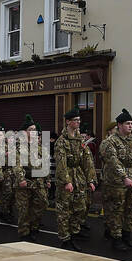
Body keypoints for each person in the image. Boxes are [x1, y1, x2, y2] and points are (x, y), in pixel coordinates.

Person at [100, 108, 132, 252]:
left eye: (131, 123)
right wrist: (124, 177)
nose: (130, 126)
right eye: (127, 123)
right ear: (119, 125)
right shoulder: (110, 142)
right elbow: (113, 161)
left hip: (131, 180)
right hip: (115, 182)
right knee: (116, 210)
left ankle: (126, 234)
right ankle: (116, 238)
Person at [54, 107, 95, 250]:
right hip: (68, 177)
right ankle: (65, 238)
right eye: (75, 120)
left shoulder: (80, 140)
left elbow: (87, 160)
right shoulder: (62, 141)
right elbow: (61, 163)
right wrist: (66, 181)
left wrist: (90, 179)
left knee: (80, 207)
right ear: (68, 122)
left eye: (79, 120)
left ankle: (74, 233)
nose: (78, 122)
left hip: (79, 176)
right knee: (65, 209)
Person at [13, 116, 49, 242]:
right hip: (25, 182)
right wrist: (21, 178)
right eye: (31, 129)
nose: (34, 132)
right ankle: (24, 233)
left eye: (35, 130)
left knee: (41, 204)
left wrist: (47, 179)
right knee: (24, 209)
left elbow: (44, 164)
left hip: (38, 182)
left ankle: (34, 227)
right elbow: (17, 164)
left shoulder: (40, 147)